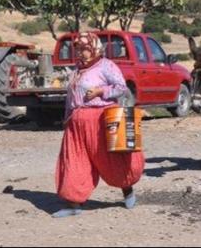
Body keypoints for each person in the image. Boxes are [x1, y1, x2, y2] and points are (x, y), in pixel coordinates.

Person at [53, 32, 145, 218]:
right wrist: (66, 119)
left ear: (94, 48)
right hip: (76, 125)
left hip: (102, 121)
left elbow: (121, 88)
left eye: (84, 49)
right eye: (77, 49)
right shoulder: (77, 70)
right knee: (75, 161)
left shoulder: (106, 66)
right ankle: (73, 203)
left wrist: (99, 91)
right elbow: (70, 99)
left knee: (112, 159)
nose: (80, 53)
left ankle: (127, 190)